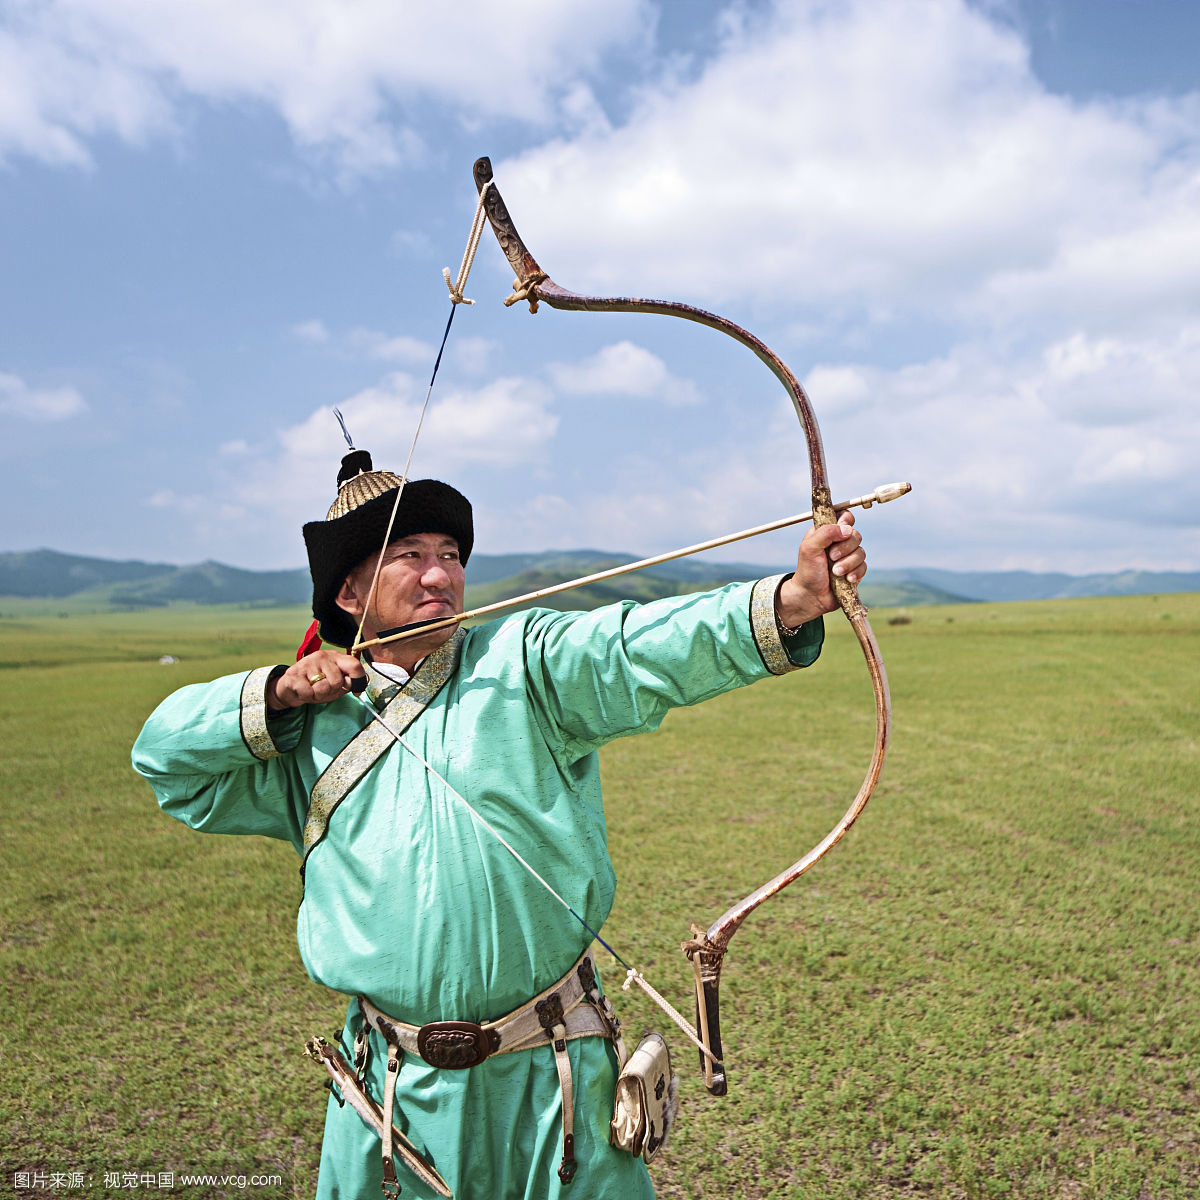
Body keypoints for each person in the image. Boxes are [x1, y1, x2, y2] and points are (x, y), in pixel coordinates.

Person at [132, 447, 866, 1200]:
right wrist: (276, 694)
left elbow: (636, 647)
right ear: (349, 594)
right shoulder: (302, 728)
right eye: (409, 555)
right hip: (390, 1085)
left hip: (553, 1067)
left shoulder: (525, 662)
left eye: (449, 554)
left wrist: (793, 599)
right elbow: (163, 759)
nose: (440, 574)